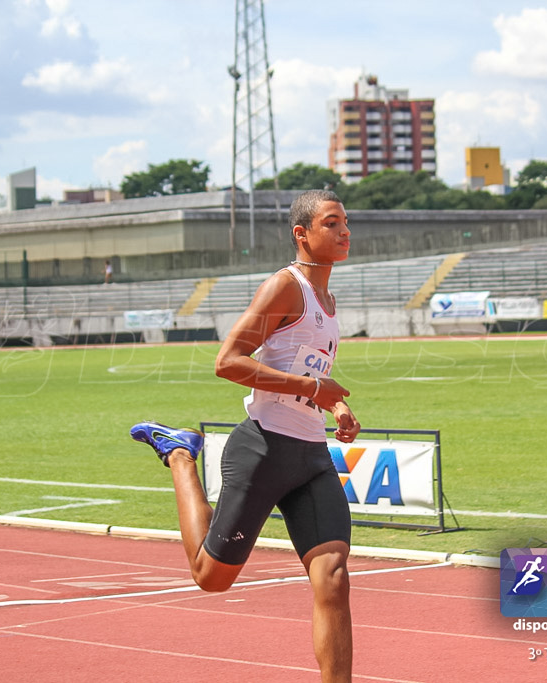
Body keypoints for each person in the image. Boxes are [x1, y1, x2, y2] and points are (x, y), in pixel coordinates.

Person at [130, 189, 359, 682]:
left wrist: (336, 405)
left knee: (334, 578)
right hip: (263, 450)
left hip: (311, 458)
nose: (345, 232)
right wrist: (315, 388)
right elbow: (227, 362)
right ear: (302, 235)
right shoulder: (285, 287)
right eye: (332, 223)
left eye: (345, 223)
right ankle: (179, 455)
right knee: (211, 580)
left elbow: (305, 371)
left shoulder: (329, 300)